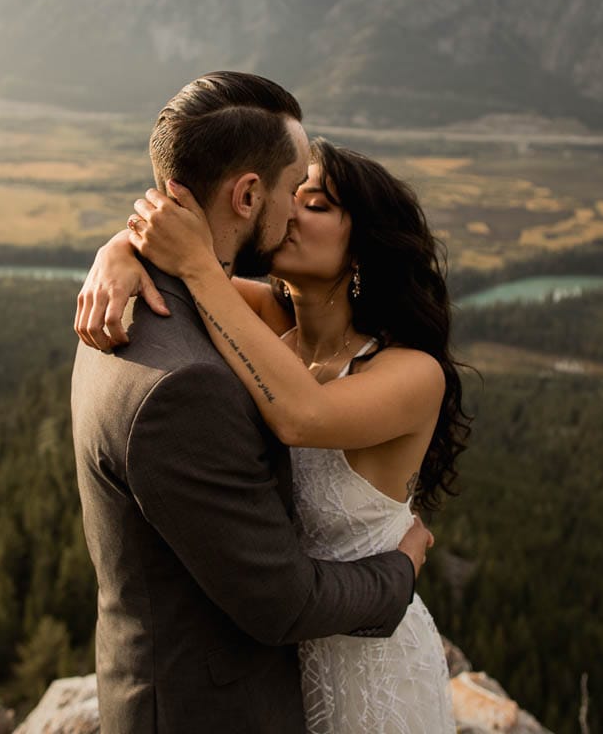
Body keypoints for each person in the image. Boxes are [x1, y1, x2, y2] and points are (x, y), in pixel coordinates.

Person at [69, 72, 435, 734]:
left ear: (364, 248)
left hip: (367, 661)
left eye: (315, 202)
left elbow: (303, 416)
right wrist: (121, 248)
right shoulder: (264, 320)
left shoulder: (411, 371)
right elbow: (182, 264)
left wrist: (401, 572)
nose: (293, 210)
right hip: (283, 650)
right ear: (247, 193)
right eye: (292, 193)